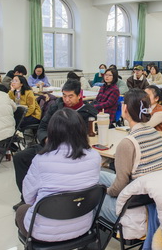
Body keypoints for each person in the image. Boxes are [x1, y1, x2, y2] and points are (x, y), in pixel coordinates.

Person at [16, 108, 102, 250]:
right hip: (83, 225)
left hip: (46, 230)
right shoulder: (95, 157)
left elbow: (28, 197)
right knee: (63, 209)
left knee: (22, 211)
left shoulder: (42, 160)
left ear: (52, 132)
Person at [12, 80, 98, 209]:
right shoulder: (56, 106)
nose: (67, 100)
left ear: (79, 95)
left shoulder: (88, 113)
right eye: (64, 95)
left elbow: (85, 136)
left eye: (70, 96)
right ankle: (26, 198)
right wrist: (46, 139)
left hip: (72, 149)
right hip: (50, 145)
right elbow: (42, 126)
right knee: (20, 157)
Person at [99, 89, 162, 222]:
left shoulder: (127, 143)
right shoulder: (155, 133)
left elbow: (119, 186)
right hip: (152, 199)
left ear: (124, 108)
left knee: (92, 198)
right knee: (99, 175)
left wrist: (106, 191)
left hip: (131, 208)